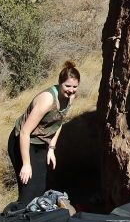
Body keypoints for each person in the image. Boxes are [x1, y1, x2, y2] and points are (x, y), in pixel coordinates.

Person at [7, 61, 80, 206]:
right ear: (60, 83)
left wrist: (51, 148)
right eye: (67, 86)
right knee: (29, 190)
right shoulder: (47, 100)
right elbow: (24, 132)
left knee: (41, 187)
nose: (71, 90)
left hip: (41, 143)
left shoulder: (70, 98)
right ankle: (15, 217)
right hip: (22, 141)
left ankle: (35, 219)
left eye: (74, 87)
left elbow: (59, 122)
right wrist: (26, 164)